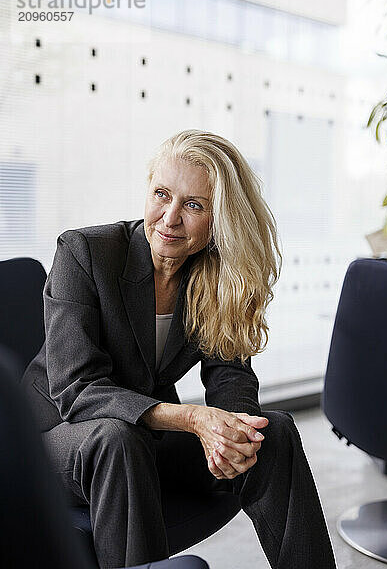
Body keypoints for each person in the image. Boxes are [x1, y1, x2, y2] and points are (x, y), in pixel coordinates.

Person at [21, 129, 337, 569]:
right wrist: (194, 418)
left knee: (273, 434)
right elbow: (78, 389)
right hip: (57, 438)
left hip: (144, 435)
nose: (169, 218)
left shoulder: (214, 276)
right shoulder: (85, 252)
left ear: (219, 219)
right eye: (161, 195)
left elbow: (230, 372)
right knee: (117, 438)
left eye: (193, 205)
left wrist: (234, 431)